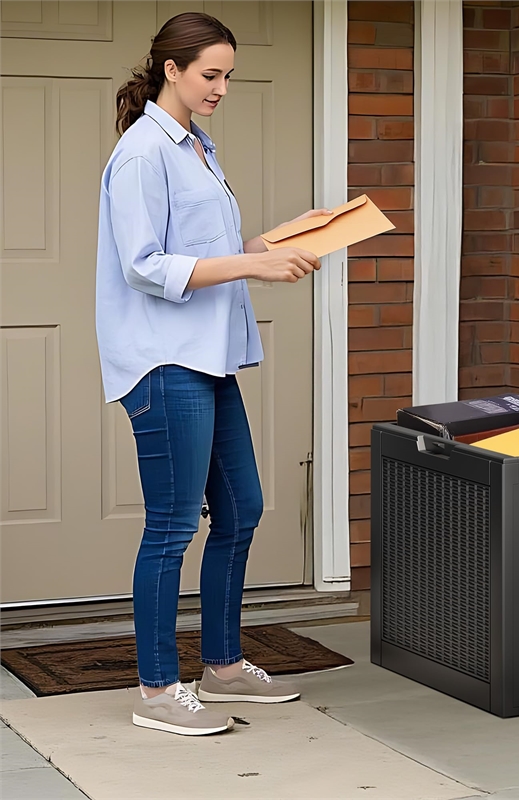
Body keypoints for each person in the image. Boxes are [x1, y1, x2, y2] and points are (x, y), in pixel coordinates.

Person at [96, 12, 329, 737]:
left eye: (228, 74)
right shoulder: (143, 153)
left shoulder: (195, 147)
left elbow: (211, 247)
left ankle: (222, 666)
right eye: (210, 74)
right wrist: (255, 263)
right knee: (171, 529)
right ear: (171, 69)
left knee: (242, 510)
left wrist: (286, 238)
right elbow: (145, 264)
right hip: (164, 362)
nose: (222, 87)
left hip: (208, 357)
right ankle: (157, 689)